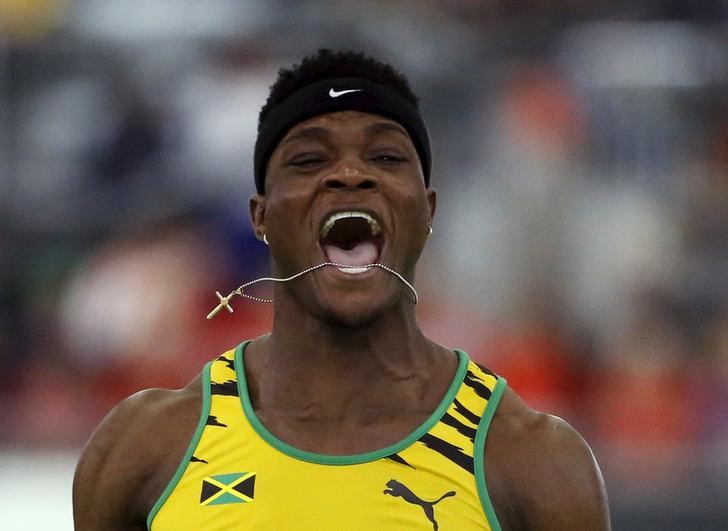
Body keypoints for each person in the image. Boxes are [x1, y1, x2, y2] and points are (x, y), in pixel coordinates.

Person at [73, 49, 610, 531]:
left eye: (385, 157)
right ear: (261, 217)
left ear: (428, 212)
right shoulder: (145, 446)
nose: (351, 173)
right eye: (309, 159)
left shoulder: (532, 460)